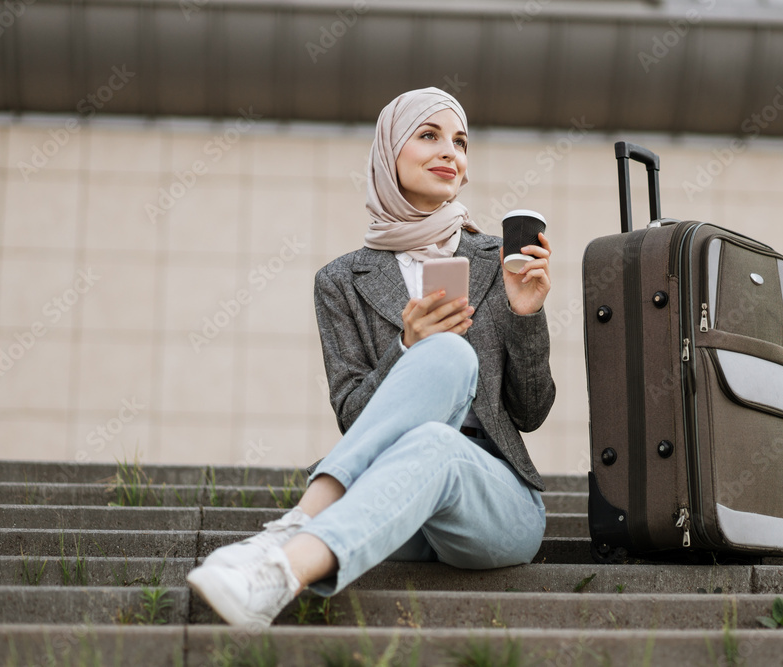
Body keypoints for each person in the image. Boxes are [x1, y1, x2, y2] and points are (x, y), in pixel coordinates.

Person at [186, 87, 555, 629]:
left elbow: (531, 413)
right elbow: (356, 418)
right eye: (428, 136)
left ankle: (285, 559)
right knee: (442, 366)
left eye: (460, 142)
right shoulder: (341, 281)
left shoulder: (499, 261)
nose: (449, 152)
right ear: (388, 153)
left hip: (493, 500)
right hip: (390, 492)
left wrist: (526, 316)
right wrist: (403, 351)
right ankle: (296, 536)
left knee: (441, 424)